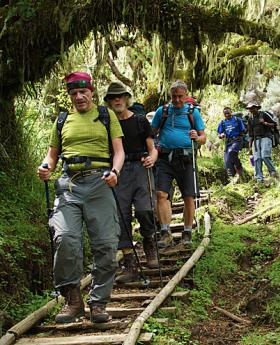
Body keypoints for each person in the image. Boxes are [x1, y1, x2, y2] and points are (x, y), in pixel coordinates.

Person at [37, 72, 124, 323]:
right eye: (74, 93)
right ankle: (73, 301)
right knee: (65, 239)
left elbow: (119, 152)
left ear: (91, 91)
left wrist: (115, 171)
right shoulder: (63, 120)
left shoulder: (106, 116)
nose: (79, 97)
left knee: (106, 244)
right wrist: (45, 167)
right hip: (69, 185)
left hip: (100, 182)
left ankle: (98, 303)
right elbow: (52, 155)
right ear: (70, 96)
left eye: (83, 92)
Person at [104, 82, 159, 284]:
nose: (117, 100)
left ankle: (149, 243)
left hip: (140, 168)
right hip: (118, 172)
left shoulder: (140, 121)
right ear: (109, 102)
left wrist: (152, 158)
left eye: (120, 97)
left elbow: (152, 148)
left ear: (126, 98)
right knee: (121, 216)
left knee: (145, 210)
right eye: (113, 98)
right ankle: (130, 264)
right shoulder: (106, 124)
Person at [151, 80, 206, 248]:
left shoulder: (193, 112)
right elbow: (152, 133)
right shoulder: (163, 111)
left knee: (188, 196)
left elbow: (203, 138)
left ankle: (187, 231)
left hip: (186, 159)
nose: (177, 100)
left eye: (180, 96)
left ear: (186, 95)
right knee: (161, 194)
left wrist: (197, 137)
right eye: (174, 96)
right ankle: (165, 232)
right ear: (170, 96)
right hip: (164, 159)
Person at [247, 101, 279, 184]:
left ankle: (273, 173)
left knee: (265, 156)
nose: (251, 110)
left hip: (266, 137)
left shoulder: (264, 114)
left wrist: (264, 123)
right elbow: (250, 134)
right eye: (250, 109)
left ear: (257, 108)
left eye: (253, 108)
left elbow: (274, 124)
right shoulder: (250, 119)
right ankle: (259, 179)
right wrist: (250, 147)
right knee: (257, 159)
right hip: (256, 140)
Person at [217, 107, 246, 182]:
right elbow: (219, 133)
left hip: (237, 140)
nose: (227, 115)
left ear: (231, 112)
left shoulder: (237, 120)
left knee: (231, 152)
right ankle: (234, 179)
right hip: (228, 142)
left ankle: (239, 167)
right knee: (227, 162)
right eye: (225, 113)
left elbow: (243, 130)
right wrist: (221, 135)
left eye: (228, 113)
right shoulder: (223, 122)